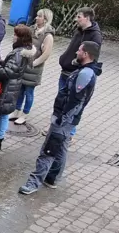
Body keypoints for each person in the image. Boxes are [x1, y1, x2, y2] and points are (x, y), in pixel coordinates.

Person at [19, 41, 101, 195]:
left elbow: (75, 101)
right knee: (61, 149)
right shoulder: (86, 71)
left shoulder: (85, 74)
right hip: (69, 121)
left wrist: (60, 119)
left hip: (64, 120)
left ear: (86, 54)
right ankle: (52, 179)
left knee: (48, 151)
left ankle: (33, 183)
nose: (76, 52)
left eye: (79, 50)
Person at [0, 25, 35, 150]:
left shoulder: (18, 54)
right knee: (1, 112)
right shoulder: (22, 51)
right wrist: (0, 61)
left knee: (3, 114)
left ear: (21, 38)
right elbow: (11, 67)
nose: (13, 37)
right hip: (11, 87)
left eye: (16, 35)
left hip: (8, 88)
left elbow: (7, 73)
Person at [54, 7, 102, 137]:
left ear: (87, 18)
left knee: (72, 104)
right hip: (65, 72)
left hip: (75, 75)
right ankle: (56, 127)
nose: (76, 19)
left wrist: (76, 65)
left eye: (79, 17)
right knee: (60, 100)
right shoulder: (79, 31)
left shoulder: (95, 36)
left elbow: (91, 58)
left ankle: (68, 133)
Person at [12, 9, 55, 125]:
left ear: (45, 19)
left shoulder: (48, 36)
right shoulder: (32, 29)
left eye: (39, 16)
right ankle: (16, 111)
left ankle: (25, 114)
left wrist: (33, 64)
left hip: (34, 69)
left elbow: (46, 54)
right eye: (36, 15)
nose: (36, 18)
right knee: (20, 90)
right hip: (25, 65)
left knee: (29, 92)